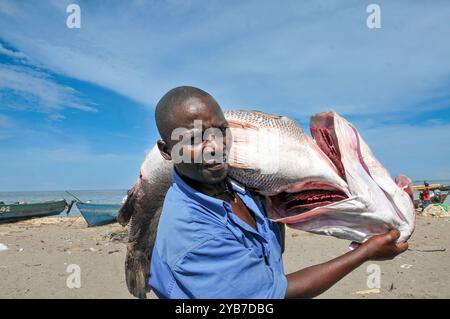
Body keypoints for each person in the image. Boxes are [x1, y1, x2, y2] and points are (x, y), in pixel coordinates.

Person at [149, 86, 408, 299]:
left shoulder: (238, 183)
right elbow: (272, 295)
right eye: (194, 139)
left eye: (221, 130)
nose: (215, 147)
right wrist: (364, 253)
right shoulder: (194, 236)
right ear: (166, 150)